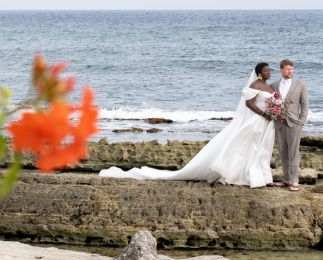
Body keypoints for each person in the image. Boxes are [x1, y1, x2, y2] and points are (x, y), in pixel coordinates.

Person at [99, 63, 276, 188]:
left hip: (267, 123)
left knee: (261, 149)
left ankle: (261, 176)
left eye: (269, 70)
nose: (269, 72)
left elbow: (274, 102)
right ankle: (244, 175)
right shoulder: (255, 84)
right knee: (248, 147)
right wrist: (264, 113)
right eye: (266, 70)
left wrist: (275, 111)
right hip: (256, 120)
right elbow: (248, 103)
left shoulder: (269, 87)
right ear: (260, 73)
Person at [268, 59, 309, 192]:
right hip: (279, 123)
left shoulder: (300, 85)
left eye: (291, 69)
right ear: (281, 70)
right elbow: (269, 102)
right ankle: (286, 179)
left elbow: (305, 104)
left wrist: (302, 121)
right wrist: (273, 114)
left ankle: (295, 180)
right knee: (283, 152)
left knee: (293, 152)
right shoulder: (273, 85)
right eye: (287, 69)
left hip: (294, 123)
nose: (290, 71)